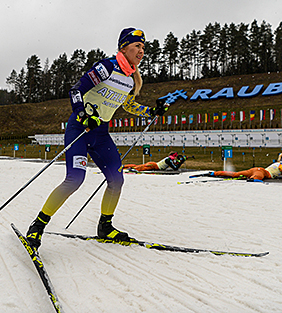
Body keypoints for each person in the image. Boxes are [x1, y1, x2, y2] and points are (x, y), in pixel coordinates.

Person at [26, 28, 169, 249]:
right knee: (75, 179)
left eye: (143, 47)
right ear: (124, 47)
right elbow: (76, 91)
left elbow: (128, 105)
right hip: (81, 128)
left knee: (117, 179)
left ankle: (105, 227)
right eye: (137, 46)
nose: (141, 51)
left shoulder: (131, 79)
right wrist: (84, 115)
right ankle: (37, 226)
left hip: (100, 133)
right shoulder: (107, 67)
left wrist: (151, 112)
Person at [207, 153, 282, 181]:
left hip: (256, 169)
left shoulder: (278, 163)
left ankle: (214, 173)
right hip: (262, 172)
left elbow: (281, 155)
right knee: (257, 178)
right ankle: (253, 179)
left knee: (235, 174)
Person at [123, 151, 187, 172]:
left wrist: (180, 162)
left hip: (154, 165)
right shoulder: (168, 160)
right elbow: (175, 168)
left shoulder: (169, 159)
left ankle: (125, 167)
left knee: (138, 167)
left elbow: (175, 165)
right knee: (138, 168)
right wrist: (182, 161)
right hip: (153, 166)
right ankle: (125, 167)